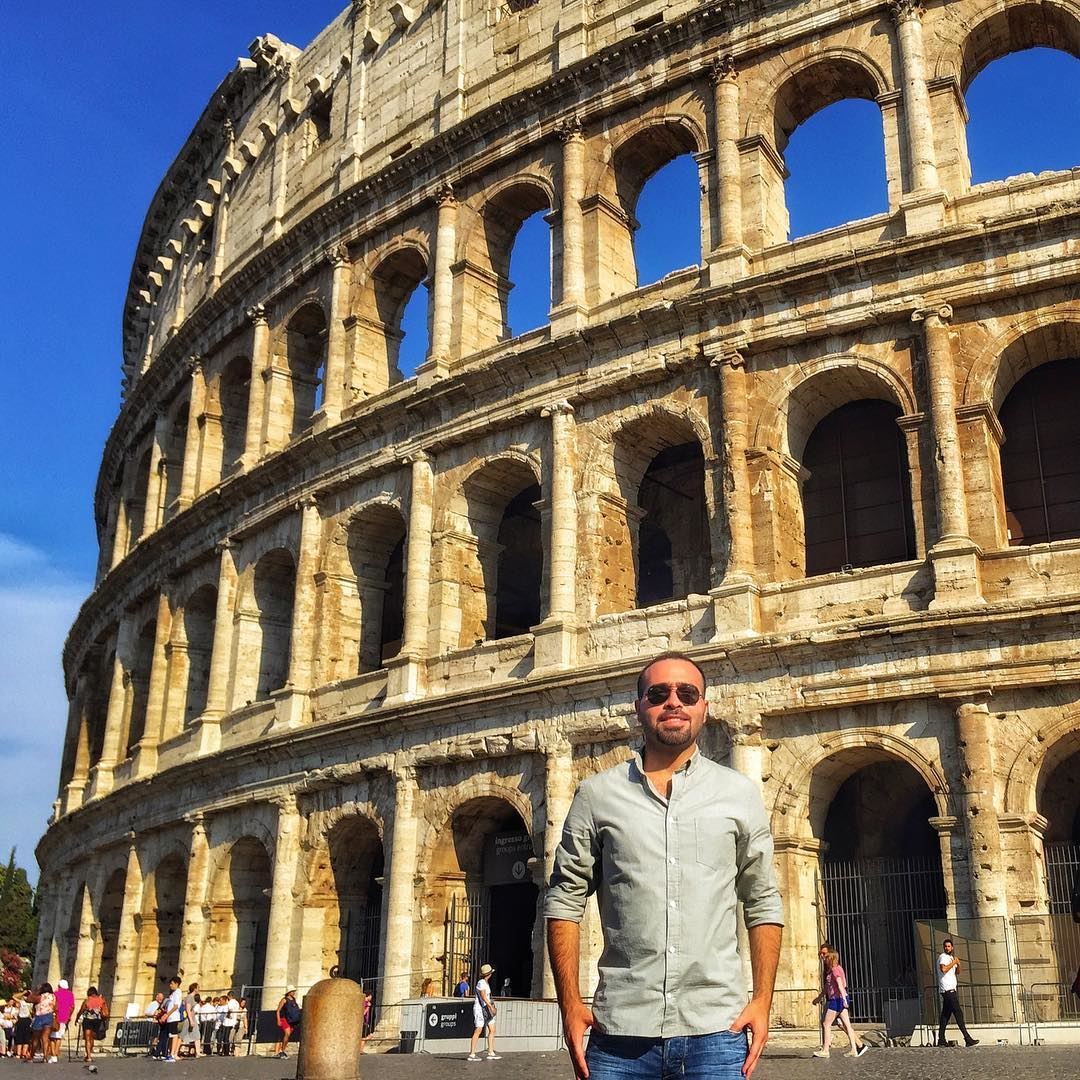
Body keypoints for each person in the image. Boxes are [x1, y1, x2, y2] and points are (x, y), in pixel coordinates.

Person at [545, 651, 785, 1080]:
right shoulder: (596, 794)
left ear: (704, 707)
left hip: (716, 1030)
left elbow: (763, 899)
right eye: (658, 693)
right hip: (619, 1032)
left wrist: (763, 1001)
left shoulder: (738, 793)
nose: (673, 702)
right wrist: (569, 1004)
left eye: (687, 693)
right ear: (639, 707)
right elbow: (563, 901)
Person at [811, 948, 867, 1058]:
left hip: (836, 1000)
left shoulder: (834, 970)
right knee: (847, 1025)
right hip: (841, 998)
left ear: (830, 958)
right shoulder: (838, 969)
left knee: (826, 1024)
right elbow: (830, 987)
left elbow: (840, 984)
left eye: (826, 957)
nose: (824, 959)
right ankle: (854, 1049)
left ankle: (826, 1050)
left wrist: (844, 999)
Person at [937, 938, 979, 1047]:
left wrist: (958, 964)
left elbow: (957, 972)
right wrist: (954, 962)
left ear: (952, 947)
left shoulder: (951, 958)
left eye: (949, 946)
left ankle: (941, 1039)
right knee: (958, 1013)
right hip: (947, 989)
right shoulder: (943, 957)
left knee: (945, 1015)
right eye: (945, 946)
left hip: (952, 988)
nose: (947, 948)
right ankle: (967, 1038)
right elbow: (943, 969)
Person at [467, 962, 500, 1061]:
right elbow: (483, 996)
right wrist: (491, 1007)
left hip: (486, 1009)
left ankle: (491, 1051)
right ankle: (472, 1054)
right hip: (481, 1009)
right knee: (478, 1030)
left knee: (492, 1029)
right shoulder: (481, 983)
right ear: (489, 974)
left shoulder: (485, 983)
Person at [76, 986, 109, 1064]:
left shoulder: (87, 1000)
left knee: (87, 1038)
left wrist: (77, 1019)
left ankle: (89, 1056)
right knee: (92, 1038)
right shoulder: (101, 1000)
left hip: (88, 1020)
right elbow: (105, 1010)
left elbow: (81, 1010)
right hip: (97, 1021)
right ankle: (89, 1054)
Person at [28, 982, 57, 1063]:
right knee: (45, 1038)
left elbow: (29, 999)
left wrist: (35, 992)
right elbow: (56, 1007)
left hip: (40, 1017)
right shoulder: (53, 997)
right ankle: (45, 1057)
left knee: (35, 1038)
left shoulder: (41, 996)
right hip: (49, 1017)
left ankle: (31, 1056)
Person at [157, 975, 183, 1062]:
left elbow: (176, 1006)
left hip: (173, 1017)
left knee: (174, 1035)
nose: (170, 985)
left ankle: (172, 1054)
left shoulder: (178, 992)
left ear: (176, 984)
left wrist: (167, 1014)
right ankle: (171, 1054)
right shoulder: (174, 993)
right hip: (170, 1017)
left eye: (172, 984)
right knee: (171, 1035)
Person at [51, 979, 75, 1063]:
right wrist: (69, 1016)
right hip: (65, 1017)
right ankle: (56, 1053)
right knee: (59, 1037)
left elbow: (52, 1004)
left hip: (56, 1017)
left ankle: (53, 1055)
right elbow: (72, 1007)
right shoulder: (70, 994)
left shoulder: (55, 994)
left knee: (52, 1037)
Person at [275, 987, 301, 1059]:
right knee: (287, 1033)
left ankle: (282, 1050)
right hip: (284, 1019)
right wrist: (278, 1020)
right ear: (289, 992)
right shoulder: (284, 1000)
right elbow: (278, 1011)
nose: (293, 992)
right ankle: (282, 1051)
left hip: (291, 1020)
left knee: (287, 1036)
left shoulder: (294, 1000)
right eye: (292, 991)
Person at [180, 984, 201, 1057]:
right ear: (195, 989)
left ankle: (198, 1052)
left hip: (192, 1019)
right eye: (198, 988)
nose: (199, 989)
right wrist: (191, 1020)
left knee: (197, 1035)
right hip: (189, 1019)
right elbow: (188, 1010)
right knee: (182, 1036)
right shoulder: (189, 997)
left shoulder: (192, 997)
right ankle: (174, 1051)